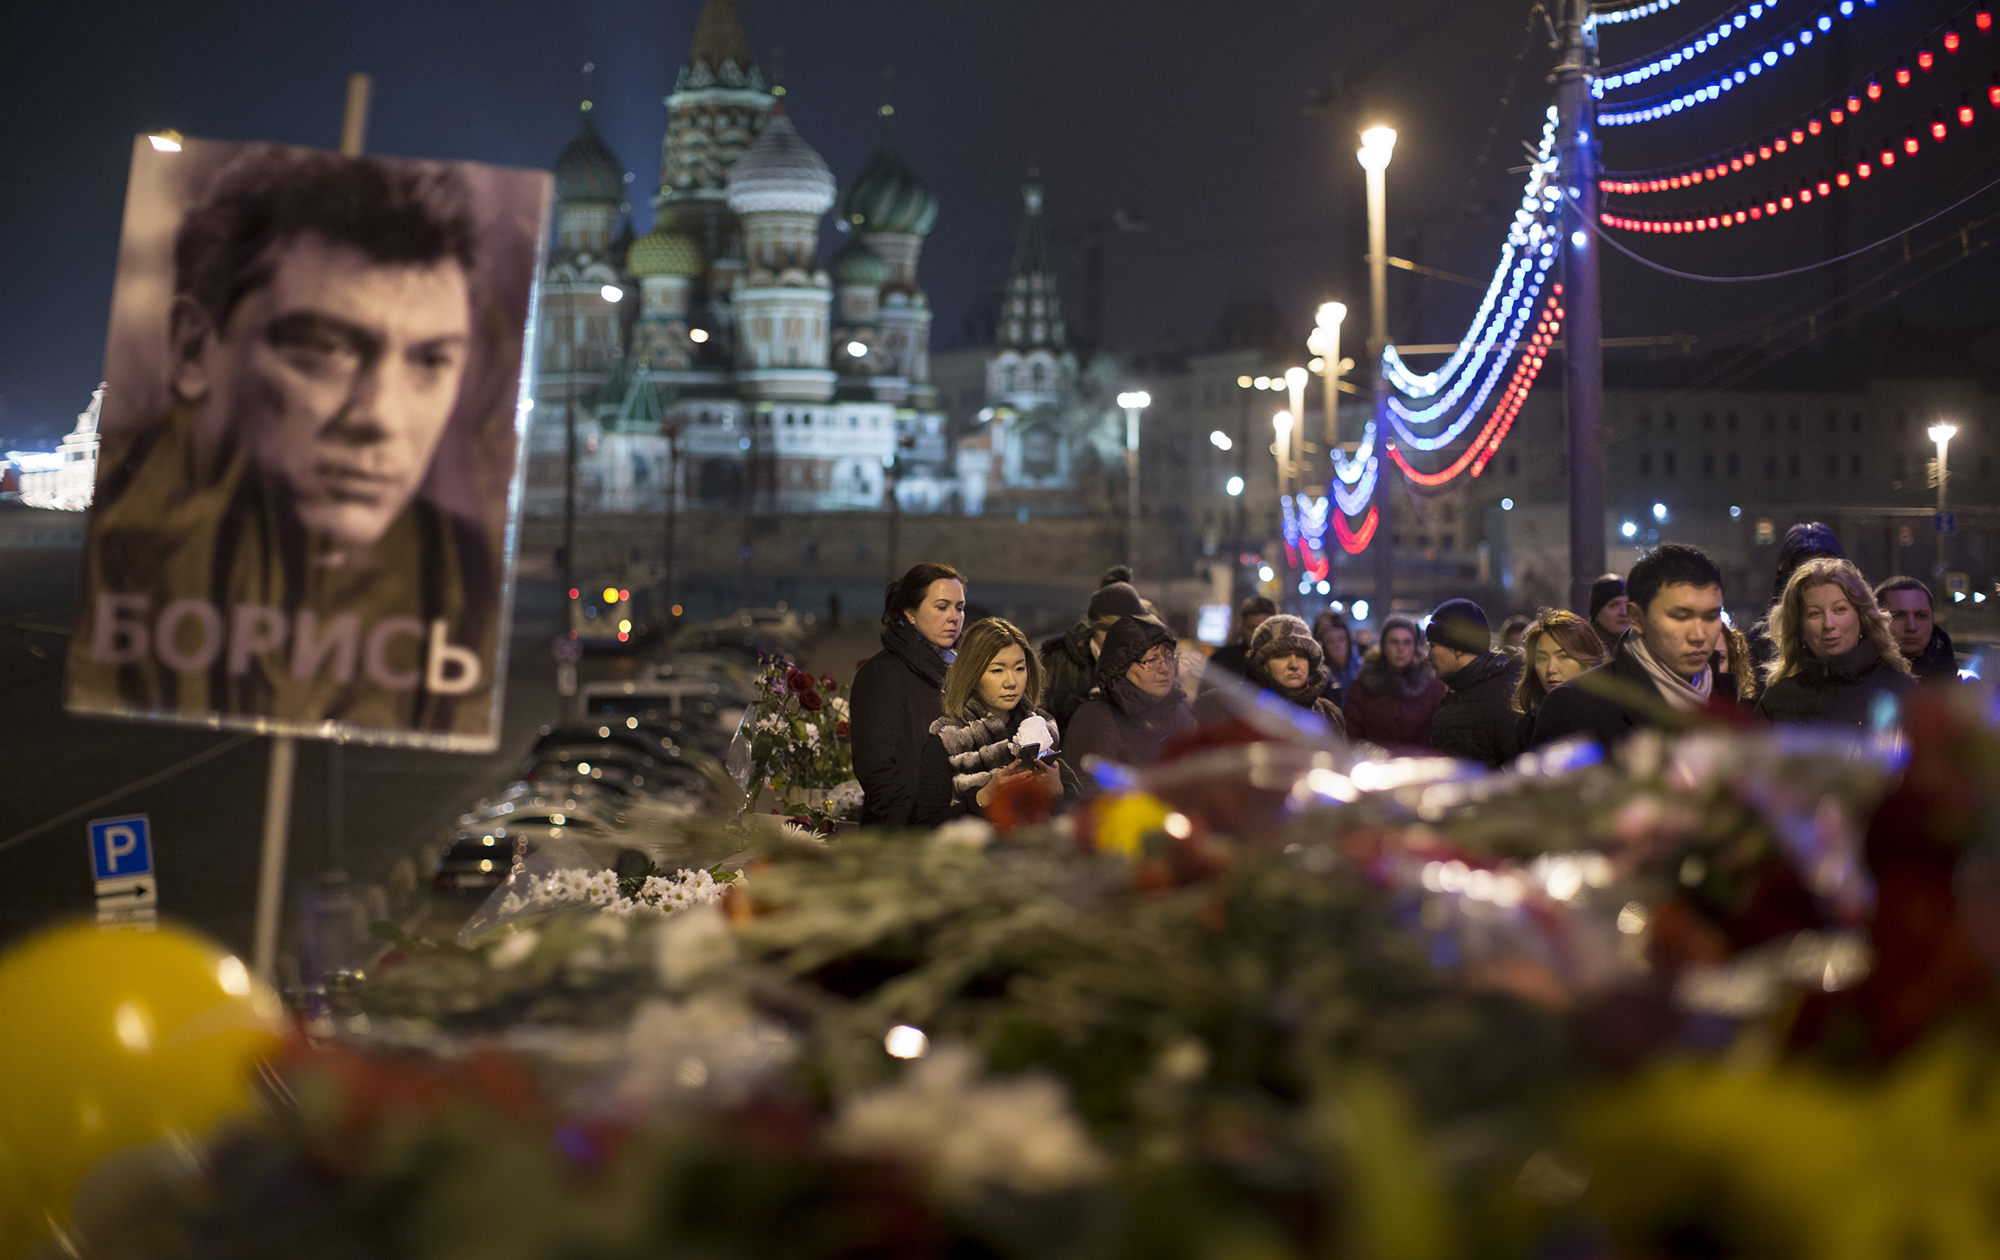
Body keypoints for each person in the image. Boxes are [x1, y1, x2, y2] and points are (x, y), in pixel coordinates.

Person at [70, 146, 508, 735]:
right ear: (193, 349)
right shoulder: (117, 586)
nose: (381, 417)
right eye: (324, 349)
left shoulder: (465, 591)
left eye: (430, 360)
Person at [1533, 543, 1745, 749]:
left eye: (1711, 616)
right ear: (1636, 617)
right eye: (1681, 617)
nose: (1699, 635)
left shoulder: (1729, 697)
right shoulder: (1575, 706)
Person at [913, 618, 1071, 825]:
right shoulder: (949, 738)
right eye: (997, 670)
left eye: (1019, 668)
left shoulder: (1042, 725)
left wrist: (1058, 792)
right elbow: (924, 827)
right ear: (973, 674)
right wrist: (982, 799)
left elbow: (1074, 816)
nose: (1011, 682)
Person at [850, 564, 966, 826]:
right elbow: (877, 769)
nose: (954, 617)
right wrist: (916, 825)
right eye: (942, 606)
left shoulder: (960, 672)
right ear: (910, 613)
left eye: (959, 607)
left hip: (954, 834)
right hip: (904, 842)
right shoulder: (882, 674)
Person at [1755, 558, 1916, 726]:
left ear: (1861, 616)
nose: (1829, 624)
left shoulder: (1901, 691)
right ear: (1799, 626)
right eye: (1814, 613)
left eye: (1840, 609)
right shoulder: (1778, 699)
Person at [1064, 615, 1195, 777]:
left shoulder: (1182, 710)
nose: (1164, 668)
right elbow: (1085, 787)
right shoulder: (1096, 716)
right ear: (1121, 666)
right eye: (1152, 660)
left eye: (1168, 658)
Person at [1195, 614, 1346, 731]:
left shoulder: (1329, 713)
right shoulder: (1227, 708)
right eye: (1281, 655)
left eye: (1301, 656)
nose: (1294, 665)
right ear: (1263, 664)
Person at [1039, 566, 1148, 728]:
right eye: (1105, 629)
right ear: (1093, 627)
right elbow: (1039, 719)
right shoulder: (1058, 658)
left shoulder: (1149, 660)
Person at [1424, 599, 1524, 767]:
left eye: (1433, 646)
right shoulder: (1458, 692)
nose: (1428, 656)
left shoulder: (1502, 695)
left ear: (1457, 647)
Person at [1746, 521, 1845, 678]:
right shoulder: (1763, 639)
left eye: (1824, 572)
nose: (1814, 583)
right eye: (1803, 575)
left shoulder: (1857, 629)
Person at [1343, 612, 1447, 750]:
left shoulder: (1431, 686)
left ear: (1415, 647)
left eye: (1407, 642)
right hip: (1376, 766)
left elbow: (1440, 736)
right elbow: (1353, 736)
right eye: (1394, 642)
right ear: (1383, 645)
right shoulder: (1364, 685)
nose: (1400, 649)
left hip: (1420, 767)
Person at [1511, 609, 1609, 746]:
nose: (1551, 669)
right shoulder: (1526, 725)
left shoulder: (1610, 717)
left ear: (1588, 661)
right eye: (1541, 658)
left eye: (1563, 656)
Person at [1875, 576, 1958, 681]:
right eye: (1898, 616)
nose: (1911, 627)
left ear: (1932, 619)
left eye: (1921, 616)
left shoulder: (1961, 688)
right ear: (1877, 619)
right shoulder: (1857, 680)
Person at [1198, 595, 1277, 694]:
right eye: (1253, 628)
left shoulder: (1283, 661)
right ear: (1243, 627)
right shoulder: (1222, 660)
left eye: (1264, 629)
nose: (1258, 634)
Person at [1312, 609, 1362, 708]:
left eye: (1341, 639)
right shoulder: (1319, 677)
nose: (1337, 645)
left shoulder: (1361, 670)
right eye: (1331, 641)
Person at [1587, 574, 1631, 652]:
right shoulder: (1589, 652)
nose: (1624, 613)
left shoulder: (1637, 648)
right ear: (1596, 614)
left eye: (1628, 604)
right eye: (1614, 605)